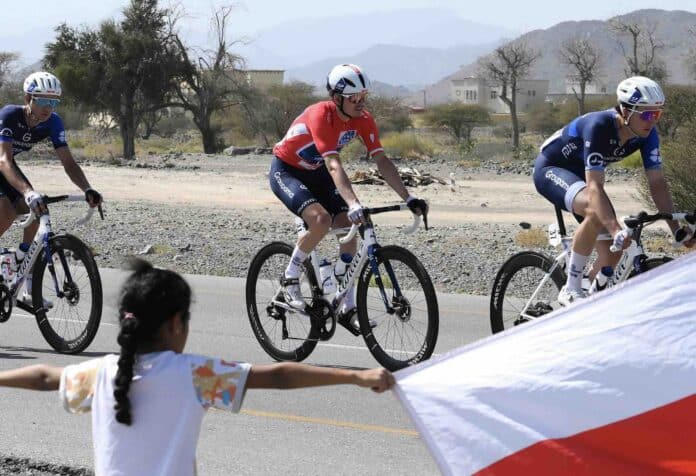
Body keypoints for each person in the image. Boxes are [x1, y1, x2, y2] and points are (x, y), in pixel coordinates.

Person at [0, 258, 394, 476]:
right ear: (176, 323)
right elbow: (277, 375)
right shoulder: (195, 375)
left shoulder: (101, 372)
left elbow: (43, 377)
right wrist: (355, 376)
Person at [269, 63, 428, 331]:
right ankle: (290, 276)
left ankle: (347, 305)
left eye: (363, 97)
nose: (360, 103)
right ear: (337, 98)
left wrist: (409, 196)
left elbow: (382, 161)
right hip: (287, 171)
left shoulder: (363, 119)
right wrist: (354, 202)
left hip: (317, 172)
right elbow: (334, 165)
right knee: (320, 220)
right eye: (354, 98)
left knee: (350, 225)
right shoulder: (321, 115)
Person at [533, 76, 695, 306]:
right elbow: (595, 187)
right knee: (596, 211)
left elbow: (657, 183)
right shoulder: (599, 126)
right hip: (553, 169)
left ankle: (586, 298)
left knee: (613, 252)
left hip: (584, 179)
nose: (653, 121)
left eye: (657, 114)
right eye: (648, 114)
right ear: (626, 111)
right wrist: (615, 227)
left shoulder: (647, 136)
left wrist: (676, 230)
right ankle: (571, 288)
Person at [0, 71, 103, 307]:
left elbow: (68, 162)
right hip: (2, 161)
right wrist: (27, 192)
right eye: (43, 101)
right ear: (28, 99)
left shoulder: (52, 122)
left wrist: (88, 188)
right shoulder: (9, 115)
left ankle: (26, 288)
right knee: (6, 212)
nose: (48, 107)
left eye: (53, 102)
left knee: (37, 210)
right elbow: (4, 161)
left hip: (5, 165)